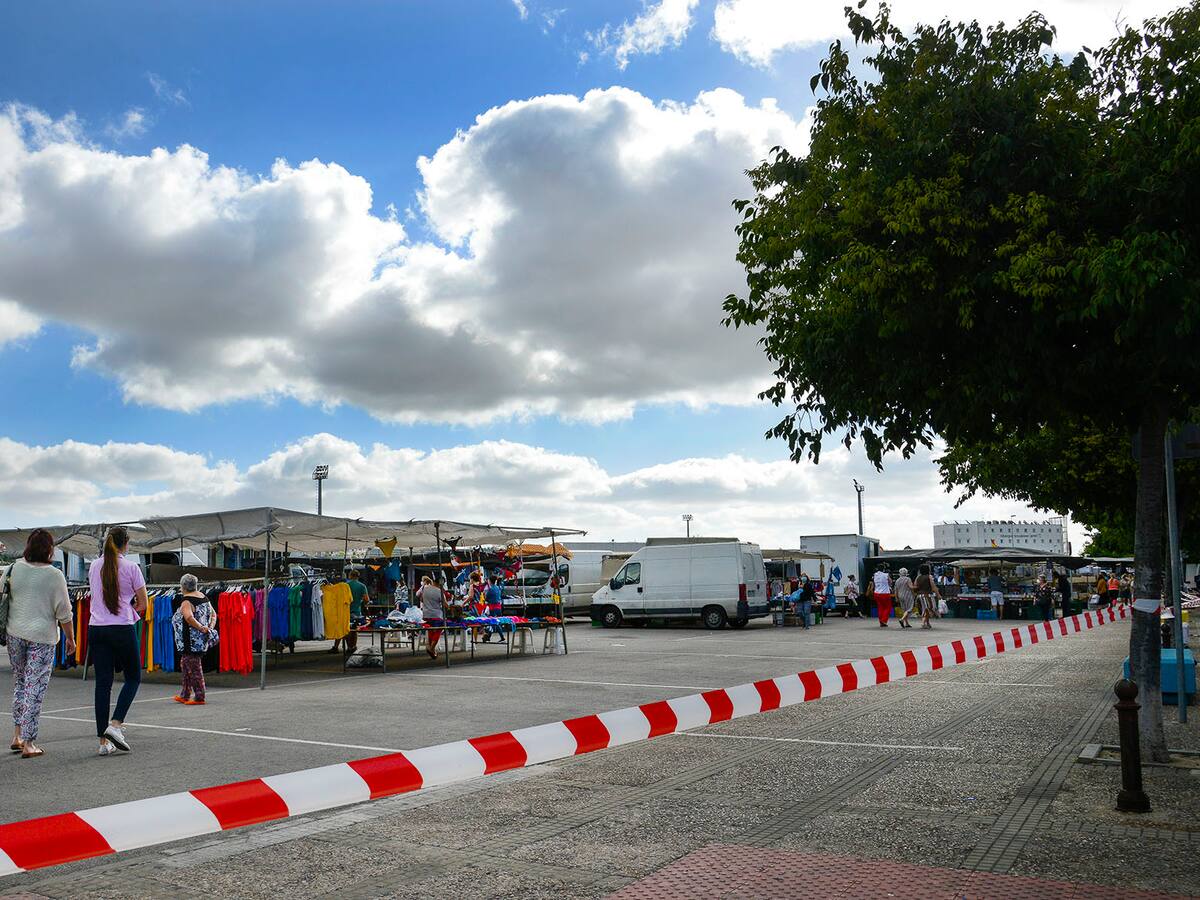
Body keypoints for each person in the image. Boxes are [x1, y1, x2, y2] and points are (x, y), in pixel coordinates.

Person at [5, 529, 74, 759]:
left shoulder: (13, 568)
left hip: (15, 633)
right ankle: (29, 743)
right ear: (49, 549)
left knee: (21, 683)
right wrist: (71, 639)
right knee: (35, 687)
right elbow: (64, 613)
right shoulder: (54, 575)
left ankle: (17, 735)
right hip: (42, 637)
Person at [88, 525, 148, 756]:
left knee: (102, 684)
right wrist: (131, 609)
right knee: (133, 677)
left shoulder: (94, 566)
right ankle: (115, 725)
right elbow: (143, 603)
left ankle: (103, 742)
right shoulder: (132, 567)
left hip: (96, 627)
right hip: (121, 627)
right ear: (126, 543)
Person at [172, 574, 216, 706]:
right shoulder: (204, 597)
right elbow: (214, 614)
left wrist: (201, 627)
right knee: (185, 665)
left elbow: (188, 617)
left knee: (194, 668)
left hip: (190, 641)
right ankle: (185, 694)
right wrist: (209, 628)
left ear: (183, 586)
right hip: (199, 640)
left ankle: (199, 696)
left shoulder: (186, 601)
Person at [417, 575, 445, 659]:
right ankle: (431, 648)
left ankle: (432, 651)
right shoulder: (439, 591)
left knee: (430, 630)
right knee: (439, 629)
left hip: (425, 615)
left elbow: (421, 599)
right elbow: (445, 604)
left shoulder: (424, 588)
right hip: (436, 615)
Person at [913, 563, 939, 630]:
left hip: (920, 596)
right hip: (927, 595)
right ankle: (923, 623)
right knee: (928, 609)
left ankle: (927, 623)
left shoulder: (918, 577)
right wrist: (938, 594)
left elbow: (915, 586)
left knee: (925, 609)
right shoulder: (929, 576)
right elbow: (933, 586)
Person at [481, 575, 504, 642]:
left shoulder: (490, 589)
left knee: (494, 622)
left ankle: (502, 637)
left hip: (493, 608)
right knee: (494, 622)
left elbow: (487, 598)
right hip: (498, 607)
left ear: (490, 581)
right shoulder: (497, 588)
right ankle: (488, 637)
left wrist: (484, 596)